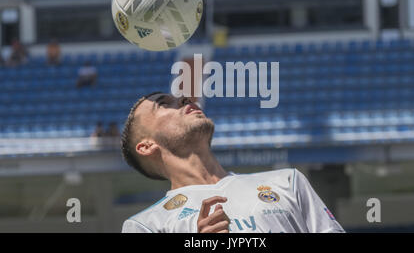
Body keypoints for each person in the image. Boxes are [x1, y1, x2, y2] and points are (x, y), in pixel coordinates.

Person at [121, 92, 345, 233]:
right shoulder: (146, 225)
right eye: (163, 103)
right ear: (146, 146)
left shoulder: (288, 182)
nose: (183, 99)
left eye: (180, 98)